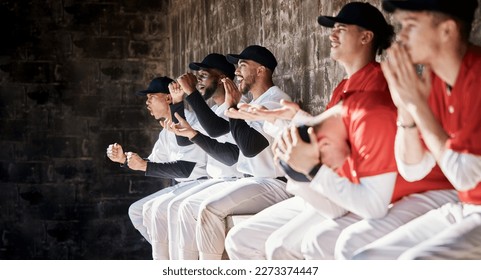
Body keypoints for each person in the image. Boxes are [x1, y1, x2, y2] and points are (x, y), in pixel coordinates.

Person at [225, 2, 456, 260]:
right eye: (333, 29)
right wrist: (282, 120)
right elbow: (330, 131)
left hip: (373, 186)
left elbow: (353, 141)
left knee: (291, 245)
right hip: (344, 181)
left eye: (341, 29)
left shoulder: (379, 83)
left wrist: (302, 145)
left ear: (366, 37)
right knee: (242, 239)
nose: (332, 35)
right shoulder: (344, 86)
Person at [350, 0, 481, 260]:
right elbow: (413, 168)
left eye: (411, 25)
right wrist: (406, 109)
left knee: (414, 263)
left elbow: (466, 176)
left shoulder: (476, 76)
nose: (403, 36)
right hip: (465, 206)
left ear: (446, 31)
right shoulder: (435, 79)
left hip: (470, 203)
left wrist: (416, 104)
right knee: (364, 259)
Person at [174, 45, 293, 260]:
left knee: (209, 209)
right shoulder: (257, 101)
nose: (236, 71)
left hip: (276, 182)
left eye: (243, 65)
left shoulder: (275, 100)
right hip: (256, 180)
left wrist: (234, 106)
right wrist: (233, 108)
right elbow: (219, 129)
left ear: (261, 70)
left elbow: (249, 147)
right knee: (188, 207)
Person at [141, 53, 245, 260]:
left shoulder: (239, 107)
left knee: (176, 207)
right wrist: (180, 102)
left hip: (233, 179)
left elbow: (214, 131)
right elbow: (186, 142)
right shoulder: (214, 109)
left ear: (223, 78)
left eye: (204, 75)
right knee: (148, 210)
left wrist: (187, 95)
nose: (198, 81)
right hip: (216, 180)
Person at [106, 76, 209, 259]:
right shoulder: (165, 130)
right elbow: (154, 162)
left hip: (202, 184)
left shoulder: (190, 121)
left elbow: (186, 169)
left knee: (159, 209)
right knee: (136, 211)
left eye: (151, 97)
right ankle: (168, 257)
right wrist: (123, 159)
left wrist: (144, 165)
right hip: (184, 186)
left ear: (169, 98)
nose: (147, 103)